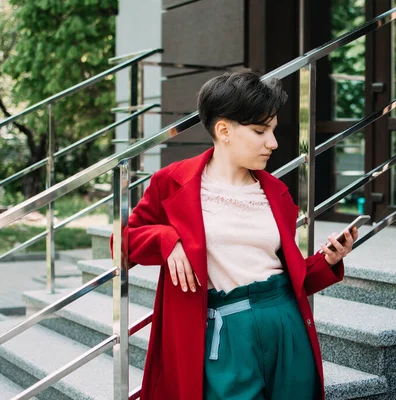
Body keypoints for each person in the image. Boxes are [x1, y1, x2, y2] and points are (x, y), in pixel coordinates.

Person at [110, 71, 357, 400]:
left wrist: (329, 260)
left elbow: (289, 274)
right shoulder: (172, 183)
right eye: (260, 131)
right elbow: (122, 242)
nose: (273, 143)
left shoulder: (276, 191)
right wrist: (167, 240)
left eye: (272, 130)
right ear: (223, 130)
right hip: (224, 331)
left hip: (285, 322)